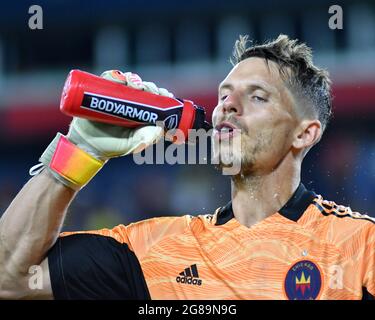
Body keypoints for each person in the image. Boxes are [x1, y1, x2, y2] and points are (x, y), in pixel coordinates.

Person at [0, 35, 373, 300]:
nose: (227, 106)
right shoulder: (155, 251)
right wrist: (78, 151)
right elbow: (9, 278)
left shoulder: (359, 248)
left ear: (304, 134)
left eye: (257, 96)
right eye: (224, 94)